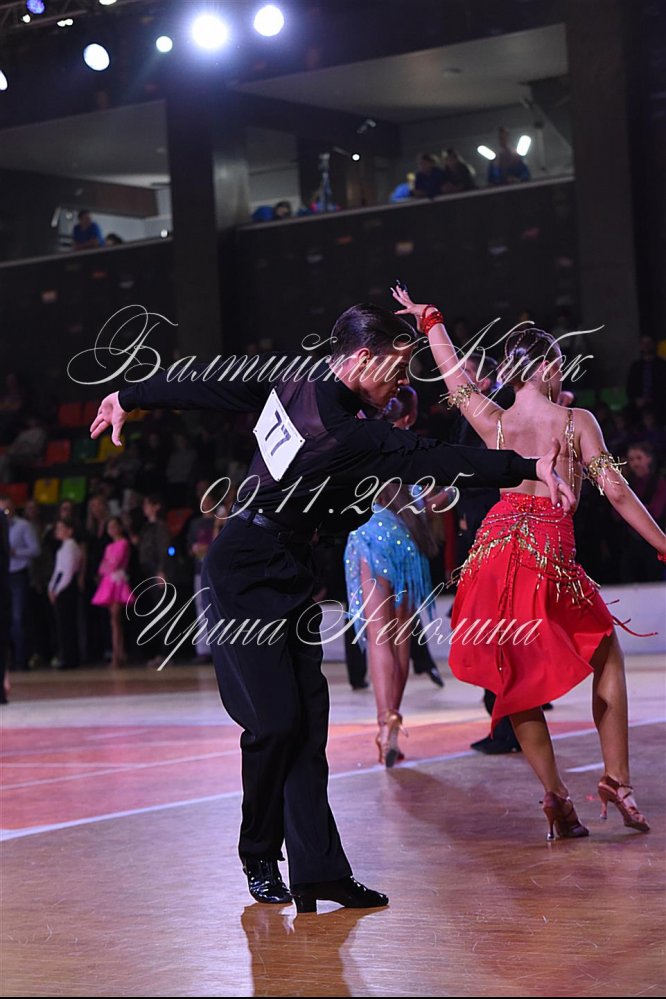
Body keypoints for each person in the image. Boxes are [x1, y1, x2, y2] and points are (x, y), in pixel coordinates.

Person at [90, 303, 572, 910]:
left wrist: (527, 467)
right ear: (364, 359)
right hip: (242, 569)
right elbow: (210, 387)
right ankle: (258, 854)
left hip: (291, 570)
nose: (404, 384)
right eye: (398, 371)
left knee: (307, 723)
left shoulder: (322, 398)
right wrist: (128, 397)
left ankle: (318, 872)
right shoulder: (342, 424)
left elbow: (436, 457)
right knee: (274, 723)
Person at [392, 284, 666, 839]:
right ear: (543, 367)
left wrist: (432, 323)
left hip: (493, 554)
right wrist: (663, 542)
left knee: (515, 682)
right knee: (606, 655)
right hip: (546, 551)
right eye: (558, 366)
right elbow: (615, 490)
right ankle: (617, 780)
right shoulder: (577, 421)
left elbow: (454, 379)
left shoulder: (491, 420)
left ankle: (557, 797)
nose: (561, 375)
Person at [344, 428, 439, 766]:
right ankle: (393, 722)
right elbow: (430, 500)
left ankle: (385, 724)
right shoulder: (414, 448)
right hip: (406, 542)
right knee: (400, 640)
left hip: (370, 538)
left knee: (379, 637)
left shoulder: (361, 441)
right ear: (410, 417)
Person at [91, 517, 135, 668]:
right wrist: (106, 567)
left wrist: (107, 567)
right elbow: (103, 566)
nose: (112, 530)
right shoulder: (109, 546)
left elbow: (114, 563)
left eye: (114, 526)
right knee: (113, 620)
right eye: (109, 527)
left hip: (117, 581)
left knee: (116, 619)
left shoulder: (123, 543)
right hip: (109, 582)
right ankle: (118, 653)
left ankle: (118, 654)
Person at [4, 496, 40, 672]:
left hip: (18, 574)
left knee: (17, 618)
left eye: (6, 509)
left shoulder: (23, 526)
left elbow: (35, 549)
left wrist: (15, 552)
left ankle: (21, 659)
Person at [48, 517, 83, 669]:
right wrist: (51, 588)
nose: (58, 531)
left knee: (67, 624)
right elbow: (58, 570)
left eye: (61, 528)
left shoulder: (71, 546)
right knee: (62, 624)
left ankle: (70, 658)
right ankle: (66, 655)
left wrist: (57, 590)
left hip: (67, 588)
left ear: (69, 531)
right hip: (60, 587)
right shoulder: (63, 547)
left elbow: (67, 572)